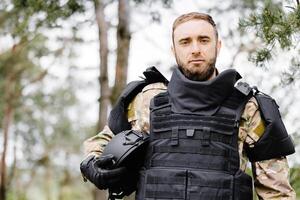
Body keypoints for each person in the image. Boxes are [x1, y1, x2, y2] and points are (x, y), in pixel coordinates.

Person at [80, 12, 296, 200]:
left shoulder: (248, 107)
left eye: (204, 40)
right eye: (185, 41)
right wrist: (91, 164)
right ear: (174, 49)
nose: (195, 49)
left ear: (217, 46)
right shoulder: (147, 100)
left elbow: (276, 192)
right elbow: (102, 142)